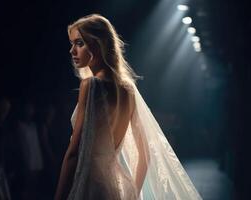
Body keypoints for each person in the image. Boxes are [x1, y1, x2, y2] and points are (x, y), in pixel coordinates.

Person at [54, 14, 202, 200]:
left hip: (89, 187)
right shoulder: (128, 90)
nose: (72, 51)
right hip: (115, 188)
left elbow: (74, 152)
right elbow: (145, 153)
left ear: (98, 44)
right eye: (72, 43)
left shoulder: (91, 86)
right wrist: (132, 193)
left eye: (79, 43)